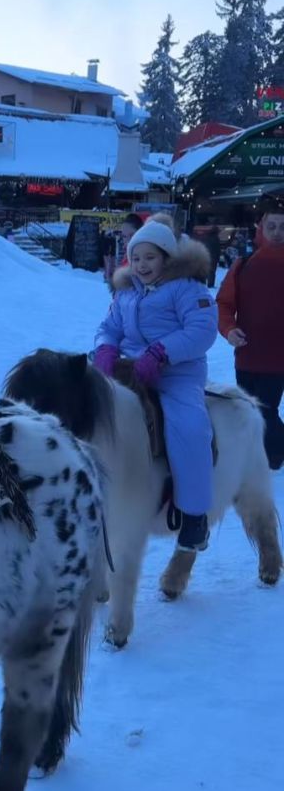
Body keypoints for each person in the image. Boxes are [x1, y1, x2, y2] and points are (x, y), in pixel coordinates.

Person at [94, 217, 217, 551]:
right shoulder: (126, 293)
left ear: (166, 257)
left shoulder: (189, 288)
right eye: (136, 258)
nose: (141, 265)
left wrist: (163, 352)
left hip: (177, 375)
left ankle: (194, 517)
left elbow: (202, 330)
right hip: (130, 369)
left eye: (150, 257)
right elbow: (110, 326)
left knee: (188, 427)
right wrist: (105, 348)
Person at [216, 195, 284, 470]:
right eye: (272, 226)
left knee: (265, 408)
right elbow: (224, 304)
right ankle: (262, 449)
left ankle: (274, 451)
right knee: (248, 407)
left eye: (283, 226)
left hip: (277, 357)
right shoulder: (243, 265)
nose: (278, 232)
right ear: (261, 227)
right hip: (246, 354)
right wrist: (229, 329)